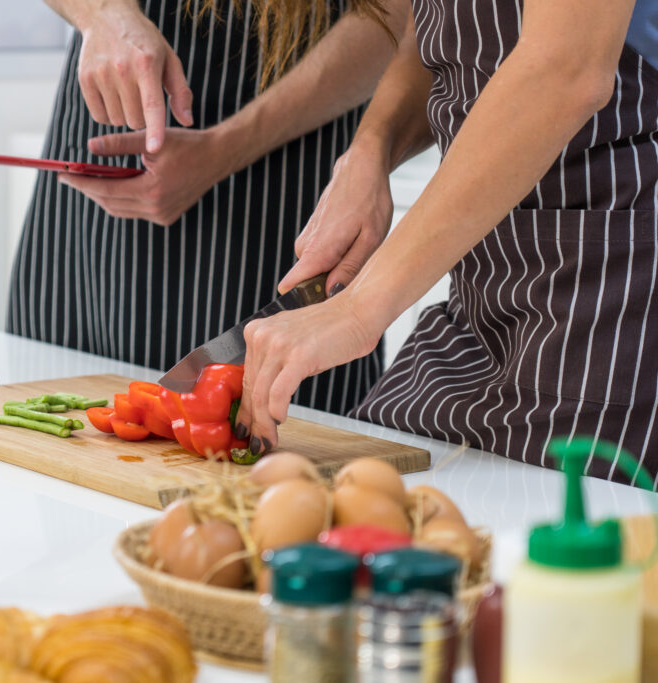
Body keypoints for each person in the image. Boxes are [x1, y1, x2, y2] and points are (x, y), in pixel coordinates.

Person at [235, 0, 658, 482]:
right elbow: (442, 27)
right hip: (483, 287)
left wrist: (357, 309)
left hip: (616, 294)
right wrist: (372, 148)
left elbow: (565, 69)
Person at [7, 0, 406, 416]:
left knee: (281, 442)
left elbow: (395, 16)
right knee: (51, 424)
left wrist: (225, 149)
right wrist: (102, 14)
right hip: (109, 132)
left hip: (284, 165)